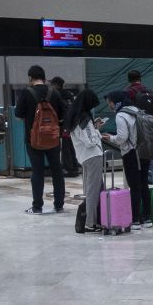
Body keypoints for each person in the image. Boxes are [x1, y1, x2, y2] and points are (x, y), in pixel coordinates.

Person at [15, 65, 67, 214]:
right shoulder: (54, 92)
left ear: (30, 78)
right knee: (57, 170)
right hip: (53, 138)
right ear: (44, 78)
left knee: (37, 172)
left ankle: (37, 206)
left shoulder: (26, 92)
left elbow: (18, 115)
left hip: (33, 140)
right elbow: (63, 116)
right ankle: (59, 205)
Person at [100, 91, 148, 228]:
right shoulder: (137, 110)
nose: (109, 105)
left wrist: (110, 138)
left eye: (110, 102)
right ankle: (147, 217)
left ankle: (136, 220)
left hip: (131, 153)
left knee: (134, 186)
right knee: (143, 183)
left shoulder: (121, 115)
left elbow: (122, 137)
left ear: (117, 101)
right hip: (144, 151)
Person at [65, 87, 105, 233]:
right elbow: (90, 141)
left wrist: (94, 128)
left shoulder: (75, 118)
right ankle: (90, 222)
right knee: (93, 191)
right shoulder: (84, 120)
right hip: (93, 156)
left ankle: (96, 220)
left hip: (85, 157)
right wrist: (97, 130)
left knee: (94, 189)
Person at [51, 76, 79, 177]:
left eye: (52, 84)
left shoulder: (57, 95)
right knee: (71, 146)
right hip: (72, 124)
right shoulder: (69, 94)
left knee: (65, 147)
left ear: (56, 85)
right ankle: (74, 167)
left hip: (63, 125)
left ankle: (68, 169)